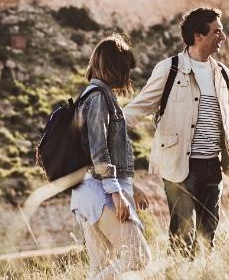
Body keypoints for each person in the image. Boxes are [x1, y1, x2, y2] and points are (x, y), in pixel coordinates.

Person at [123, 7, 229, 254]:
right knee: (181, 236)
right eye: (217, 32)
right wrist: (105, 125)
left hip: (212, 166)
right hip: (178, 167)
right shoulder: (170, 68)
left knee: (209, 235)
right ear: (198, 35)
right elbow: (138, 107)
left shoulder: (223, 74)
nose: (223, 37)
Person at [71, 36, 151, 279]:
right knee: (138, 257)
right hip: (100, 193)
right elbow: (98, 152)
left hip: (87, 191)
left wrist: (131, 186)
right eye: (126, 68)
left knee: (100, 266)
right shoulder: (98, 98)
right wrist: (118, 194)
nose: (127, 75)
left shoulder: (90, 95)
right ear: (117, 67)